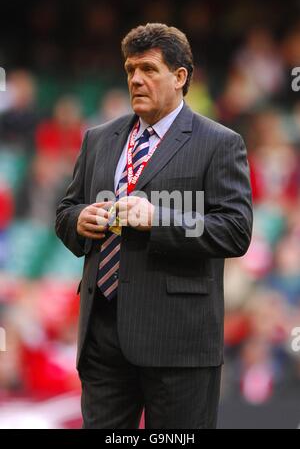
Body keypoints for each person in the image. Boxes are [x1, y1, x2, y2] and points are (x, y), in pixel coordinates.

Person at [55, 23, 253, 429]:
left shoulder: (219, 142)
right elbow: (65, 210)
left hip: (177, 341)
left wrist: (159, 219)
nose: (136, 79)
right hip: (102, 334)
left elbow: (235, 230)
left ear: (180, 77)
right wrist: (80, 219)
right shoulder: (99, 138)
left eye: (148, 69)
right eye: (130, 70)